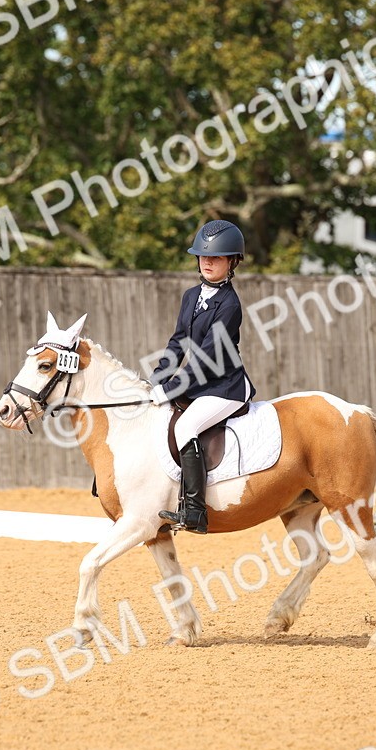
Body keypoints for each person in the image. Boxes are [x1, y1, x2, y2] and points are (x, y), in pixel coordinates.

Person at [149, 219, 256, 534]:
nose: (208, 262)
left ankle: (195, 511)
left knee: (186, 426)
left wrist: (171, 389)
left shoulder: (230, 305)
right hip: (200, 383)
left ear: (231, 262)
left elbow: (207, 359)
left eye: (217, 257)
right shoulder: (190, 296)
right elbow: (178, 342)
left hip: (225, 386)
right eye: (204, 256)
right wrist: (158, 379)